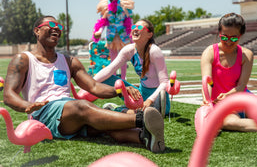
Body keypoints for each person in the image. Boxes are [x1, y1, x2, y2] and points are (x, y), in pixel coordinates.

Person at [3, 15, 165, 153]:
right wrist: (28, 105)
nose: (56, 28)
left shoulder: (69, 61)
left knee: (106, 127)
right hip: (43, 115)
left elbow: (94, 87)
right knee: (82, 106)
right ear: (37, 31)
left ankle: (145, 139)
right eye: (50, 25)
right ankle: (141, 119)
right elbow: (9, 95)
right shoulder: (23, 59)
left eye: (59, 26)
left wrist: (120, 91)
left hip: (70, 114)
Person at [92, 19, 170, 117]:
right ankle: (129, 108)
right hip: (140, 94)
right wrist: (90, 84)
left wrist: (150, 100)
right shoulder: (128, 50)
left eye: (140, 27)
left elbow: (165, 82)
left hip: (157, 97)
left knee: (153, 113)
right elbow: (109, 69)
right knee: (105, 78)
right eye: (134, 27)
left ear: (149, 34)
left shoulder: (154, 51)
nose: (135, 29)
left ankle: (118, 109)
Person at [92, 0, 134, 80]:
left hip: (123, 34)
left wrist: (132, 31)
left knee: (123, 57)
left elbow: (130, 20)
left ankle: (123, 78)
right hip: (111, 35)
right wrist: (99, 31)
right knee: (113, 58)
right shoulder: (104, 6)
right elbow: (103, 21)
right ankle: (114, 78)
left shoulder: (124, 4)